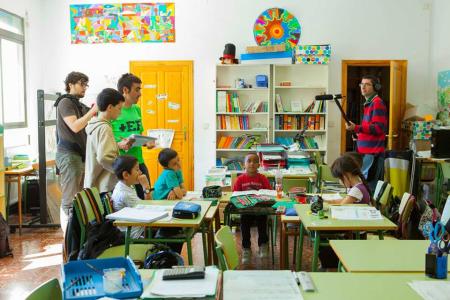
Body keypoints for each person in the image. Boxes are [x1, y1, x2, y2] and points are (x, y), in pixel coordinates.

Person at [55, 71, 98, 232]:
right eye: (81, 84)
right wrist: (93, 111)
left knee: (78, 199)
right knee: (69, 201)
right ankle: (68, 239)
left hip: (78, 156)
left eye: (86, 84)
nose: (84, 88)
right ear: (70, 84)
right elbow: (75, 126)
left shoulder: (78, 104)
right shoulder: (65, 102)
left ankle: (76, 236)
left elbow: (95, 114)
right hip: (69, 155)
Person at [112, 73, 155, 200]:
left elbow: (139, 134)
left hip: (139, 162)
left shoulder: (136, 109)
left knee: (147, 197)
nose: (140, 93)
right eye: (137, 89)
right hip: (123, 166)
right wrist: (120, 144)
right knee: (130, 204)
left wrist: (146, 142)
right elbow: (105, 139)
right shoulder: (114, 110)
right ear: (125, 90)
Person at [345, 75, 387, 192]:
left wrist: (357, 128)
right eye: (361, 84)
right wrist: (360, 135)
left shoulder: (377, 103)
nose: (363, 87)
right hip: (366, 153)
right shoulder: (369, 103)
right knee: (363, 186)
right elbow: (369, 127)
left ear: (375, 87)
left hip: (372, 154)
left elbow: (379, 128)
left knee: (369, 188)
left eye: (367, 84)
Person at [84, 88, 124, 195]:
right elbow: (104, 157)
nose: (120, 113)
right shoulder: (104, 128)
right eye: (119, 108)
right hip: (104, 186)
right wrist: (121, 171)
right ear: (110, 107)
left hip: (95, 183)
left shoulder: (94, 124)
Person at [233, 153, 272, 263]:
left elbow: (269, 193)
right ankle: (246, 248)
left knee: (262, 220)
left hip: (260, 209)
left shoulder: (262, 178)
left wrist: (263, 197)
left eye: (255, 161)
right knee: (244, 223)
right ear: (244, 164)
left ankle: (263, 245)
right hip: (246, 210)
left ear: (259, 164)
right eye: (249, 161)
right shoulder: (240, 179)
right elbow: (235, 195)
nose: (252, 163)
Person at [152, 148, 186, 253]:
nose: (179, 165)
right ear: (166, 167)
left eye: (178, 160)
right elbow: (181, 194)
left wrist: (174, 190)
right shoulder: (169, 173)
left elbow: (184, 190)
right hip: (160, 205)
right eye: (174, 164)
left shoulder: (177, 170)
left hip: (168, 203)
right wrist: (175, 190)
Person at [111, 155, 151, 239]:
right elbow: (149, 211)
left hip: (138, 227)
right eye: (137, 169)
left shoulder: (126, 186)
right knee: (170, 232)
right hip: (136, 234)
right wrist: (146, 187)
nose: (140, 173)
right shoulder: (125, 194)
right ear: (126, 175)